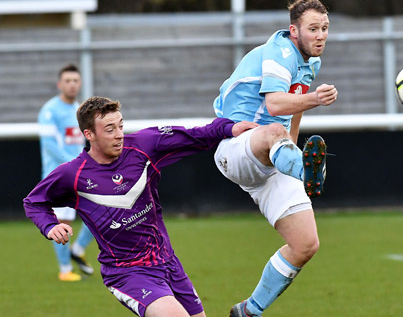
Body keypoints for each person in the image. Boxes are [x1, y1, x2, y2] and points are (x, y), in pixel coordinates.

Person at [25, 96, 257, 317]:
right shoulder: (71, 174)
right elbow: (34, 202)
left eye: (120, 126)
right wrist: (50, 226)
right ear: (89, 134)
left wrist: (229, 129)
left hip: (168, 261)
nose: (119, 135)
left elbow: (194, 135)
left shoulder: (144, 145)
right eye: (109, 129)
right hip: (127, 273)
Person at [212, 0, 337, 317]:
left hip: (273, 156)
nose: (320, 35)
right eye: (313, 29)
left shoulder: (310, 62)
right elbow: (275, 106)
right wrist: (314, 100)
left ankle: (249, 310)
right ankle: (306, 172)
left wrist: (292, 146)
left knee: (306, 244)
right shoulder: (279, 52)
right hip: (236, 144)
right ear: (293, 30)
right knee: (271, 130)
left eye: (324, 28)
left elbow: (293, 108)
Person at [38, 63, 95, 281]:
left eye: (76, 81)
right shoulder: (49, 110)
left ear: (80, 83)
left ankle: (78, 250)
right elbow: (50, 144)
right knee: (63, 224)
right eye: (68, 81)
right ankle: (65, 270)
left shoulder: (78, 110)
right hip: (59, 177)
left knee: (101, 213)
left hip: (81, 173)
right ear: (59, 84)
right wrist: (73, 163)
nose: (72, 85)